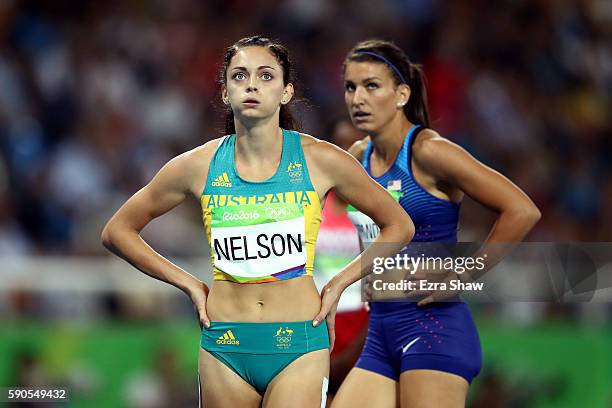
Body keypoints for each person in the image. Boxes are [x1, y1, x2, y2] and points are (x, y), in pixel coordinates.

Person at [101, 36, 414, 408]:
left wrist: (337, 284)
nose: (252, 84)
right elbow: (117, 232)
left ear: (286, 92)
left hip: (299, 342)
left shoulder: (322, 160)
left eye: (266, 76)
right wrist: (188, 283)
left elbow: (400, 226)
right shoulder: (197, 165)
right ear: (224, 92)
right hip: (224, 346)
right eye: (240, 76)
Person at [332, 40, 541, 408]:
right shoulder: (356, 158)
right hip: (380, 332)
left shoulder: (429, 152)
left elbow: (521, 210)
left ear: (401, 95)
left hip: (432, 329)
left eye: (371, 86)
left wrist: (463, 274)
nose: (357, 98)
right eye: (351, 87)